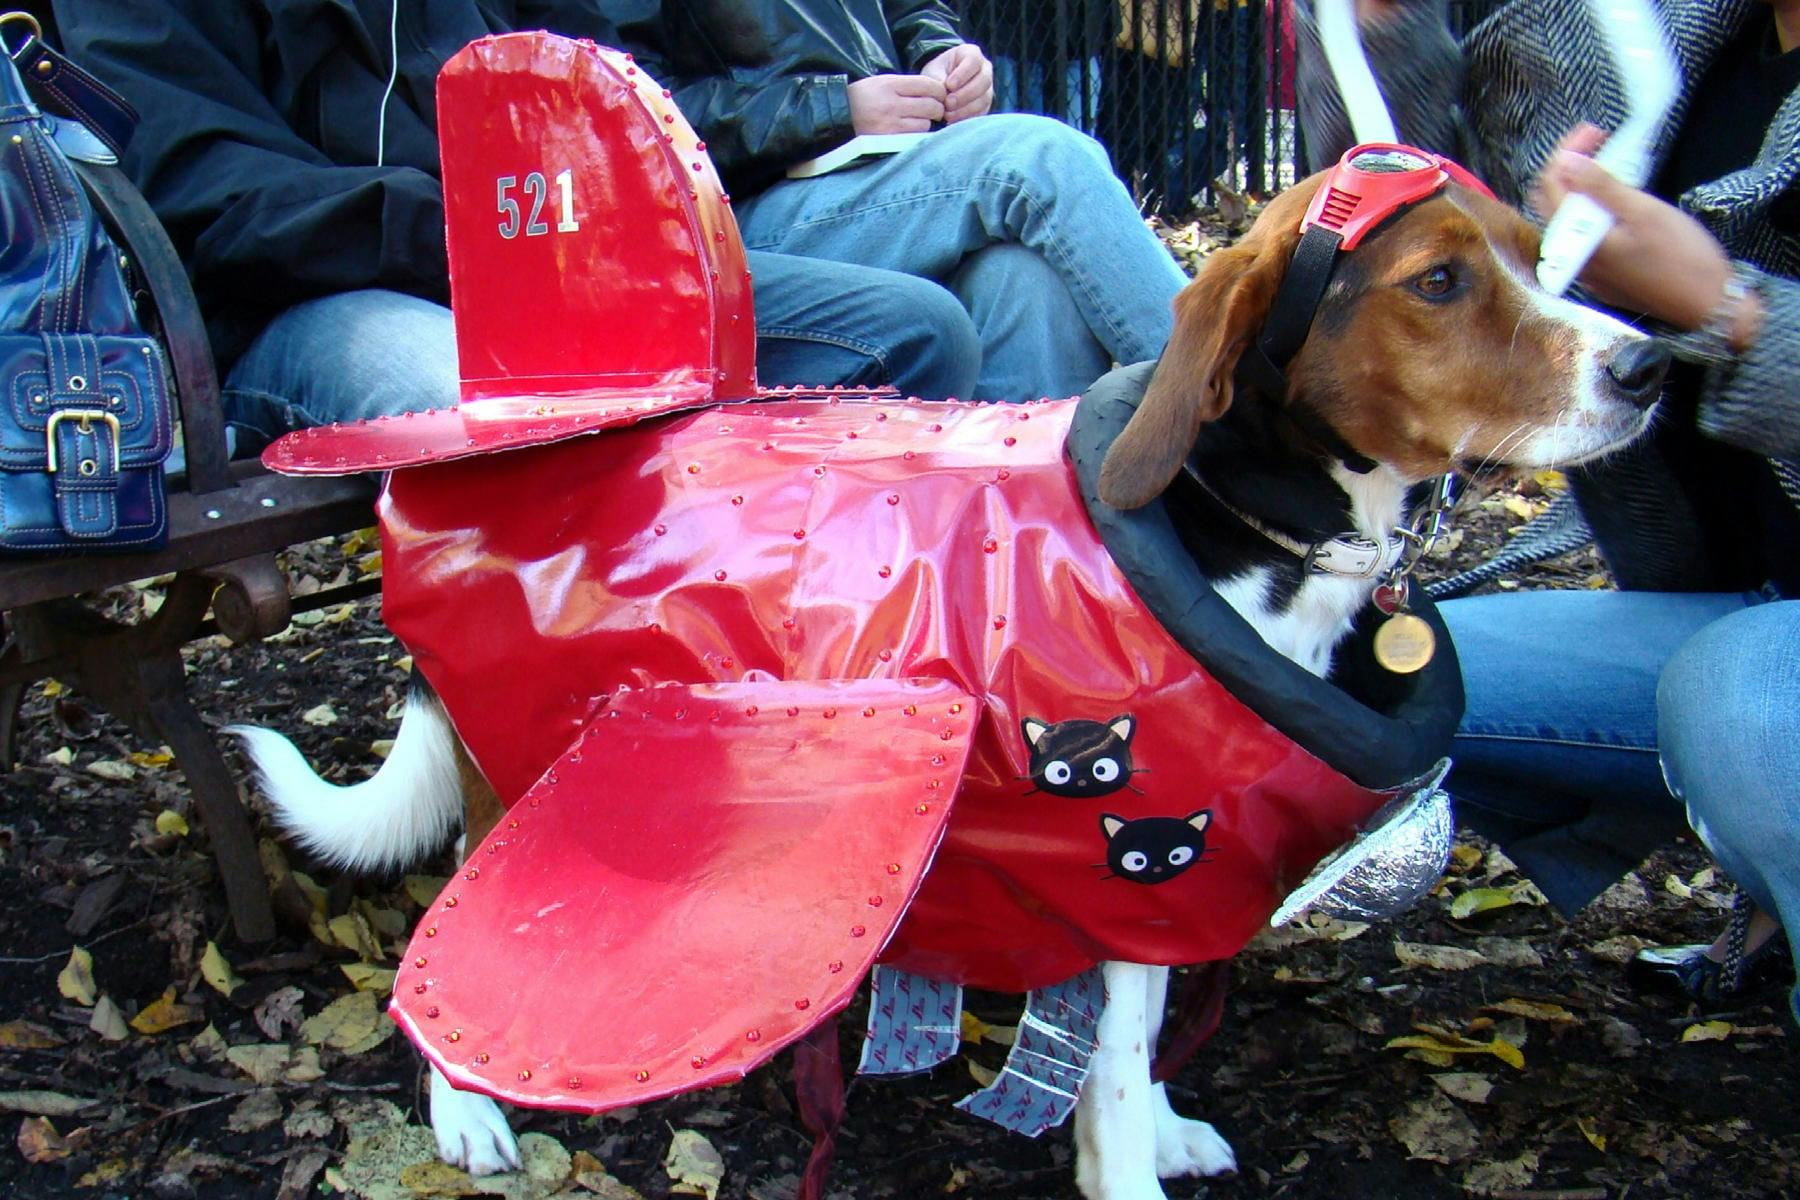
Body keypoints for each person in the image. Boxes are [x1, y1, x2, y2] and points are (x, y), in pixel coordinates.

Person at [1296, 0, 1799, 1018]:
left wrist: (1730, 310)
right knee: (1362, 669)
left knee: (1739, 696)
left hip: (1740, 664)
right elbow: (1402, 247)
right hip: (1725, 606)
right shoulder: (1623, 35)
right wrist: (1386, 28)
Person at [49, 0, 987, 458]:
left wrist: (589, 212)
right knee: (509, 416)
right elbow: (202, 186)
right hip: (296, 307)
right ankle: (564, 749)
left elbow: (591, 75)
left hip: (536, 253)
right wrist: (463, 227)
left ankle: (811, 664)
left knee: (913, 331)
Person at [643, 1, 1189, 403]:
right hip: (725, 211)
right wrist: (835, 108)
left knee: (1024, 282)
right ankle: (1226, 406)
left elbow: (911, 10)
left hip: (874, 171)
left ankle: (1021, 532)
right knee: (1041, 158)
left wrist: (942, 54)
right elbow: (624, 108)